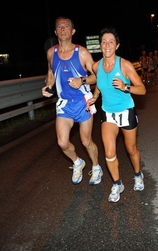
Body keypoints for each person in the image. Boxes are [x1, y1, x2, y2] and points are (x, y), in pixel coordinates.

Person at [41, 16, 103, 186]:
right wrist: (48, 87)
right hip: (64, 103)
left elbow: (96, 76)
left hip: (83, 101)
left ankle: (96, 167)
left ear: (73, 31)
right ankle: (78, 162)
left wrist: (81, 81)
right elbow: (51, 74)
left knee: (86, 141)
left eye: (66, 26)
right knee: (62, 142)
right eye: (59, 27)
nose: (62, 29)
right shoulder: (51, 53)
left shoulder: (81, 52)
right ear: (55, 32)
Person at [88, 26, 146, 202]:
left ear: (117, 45)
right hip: (108, 113)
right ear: (100, 45)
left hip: (126, 110)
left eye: (111, 42)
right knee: (109, 152)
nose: (107, 45)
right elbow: (99, 82)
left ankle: (137, 175)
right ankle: (117, 184)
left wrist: (125, 86)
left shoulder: (125, 65)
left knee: (131, 149)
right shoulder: (96, 66)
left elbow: (142, 89)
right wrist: (95, 95)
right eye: (104, 42)